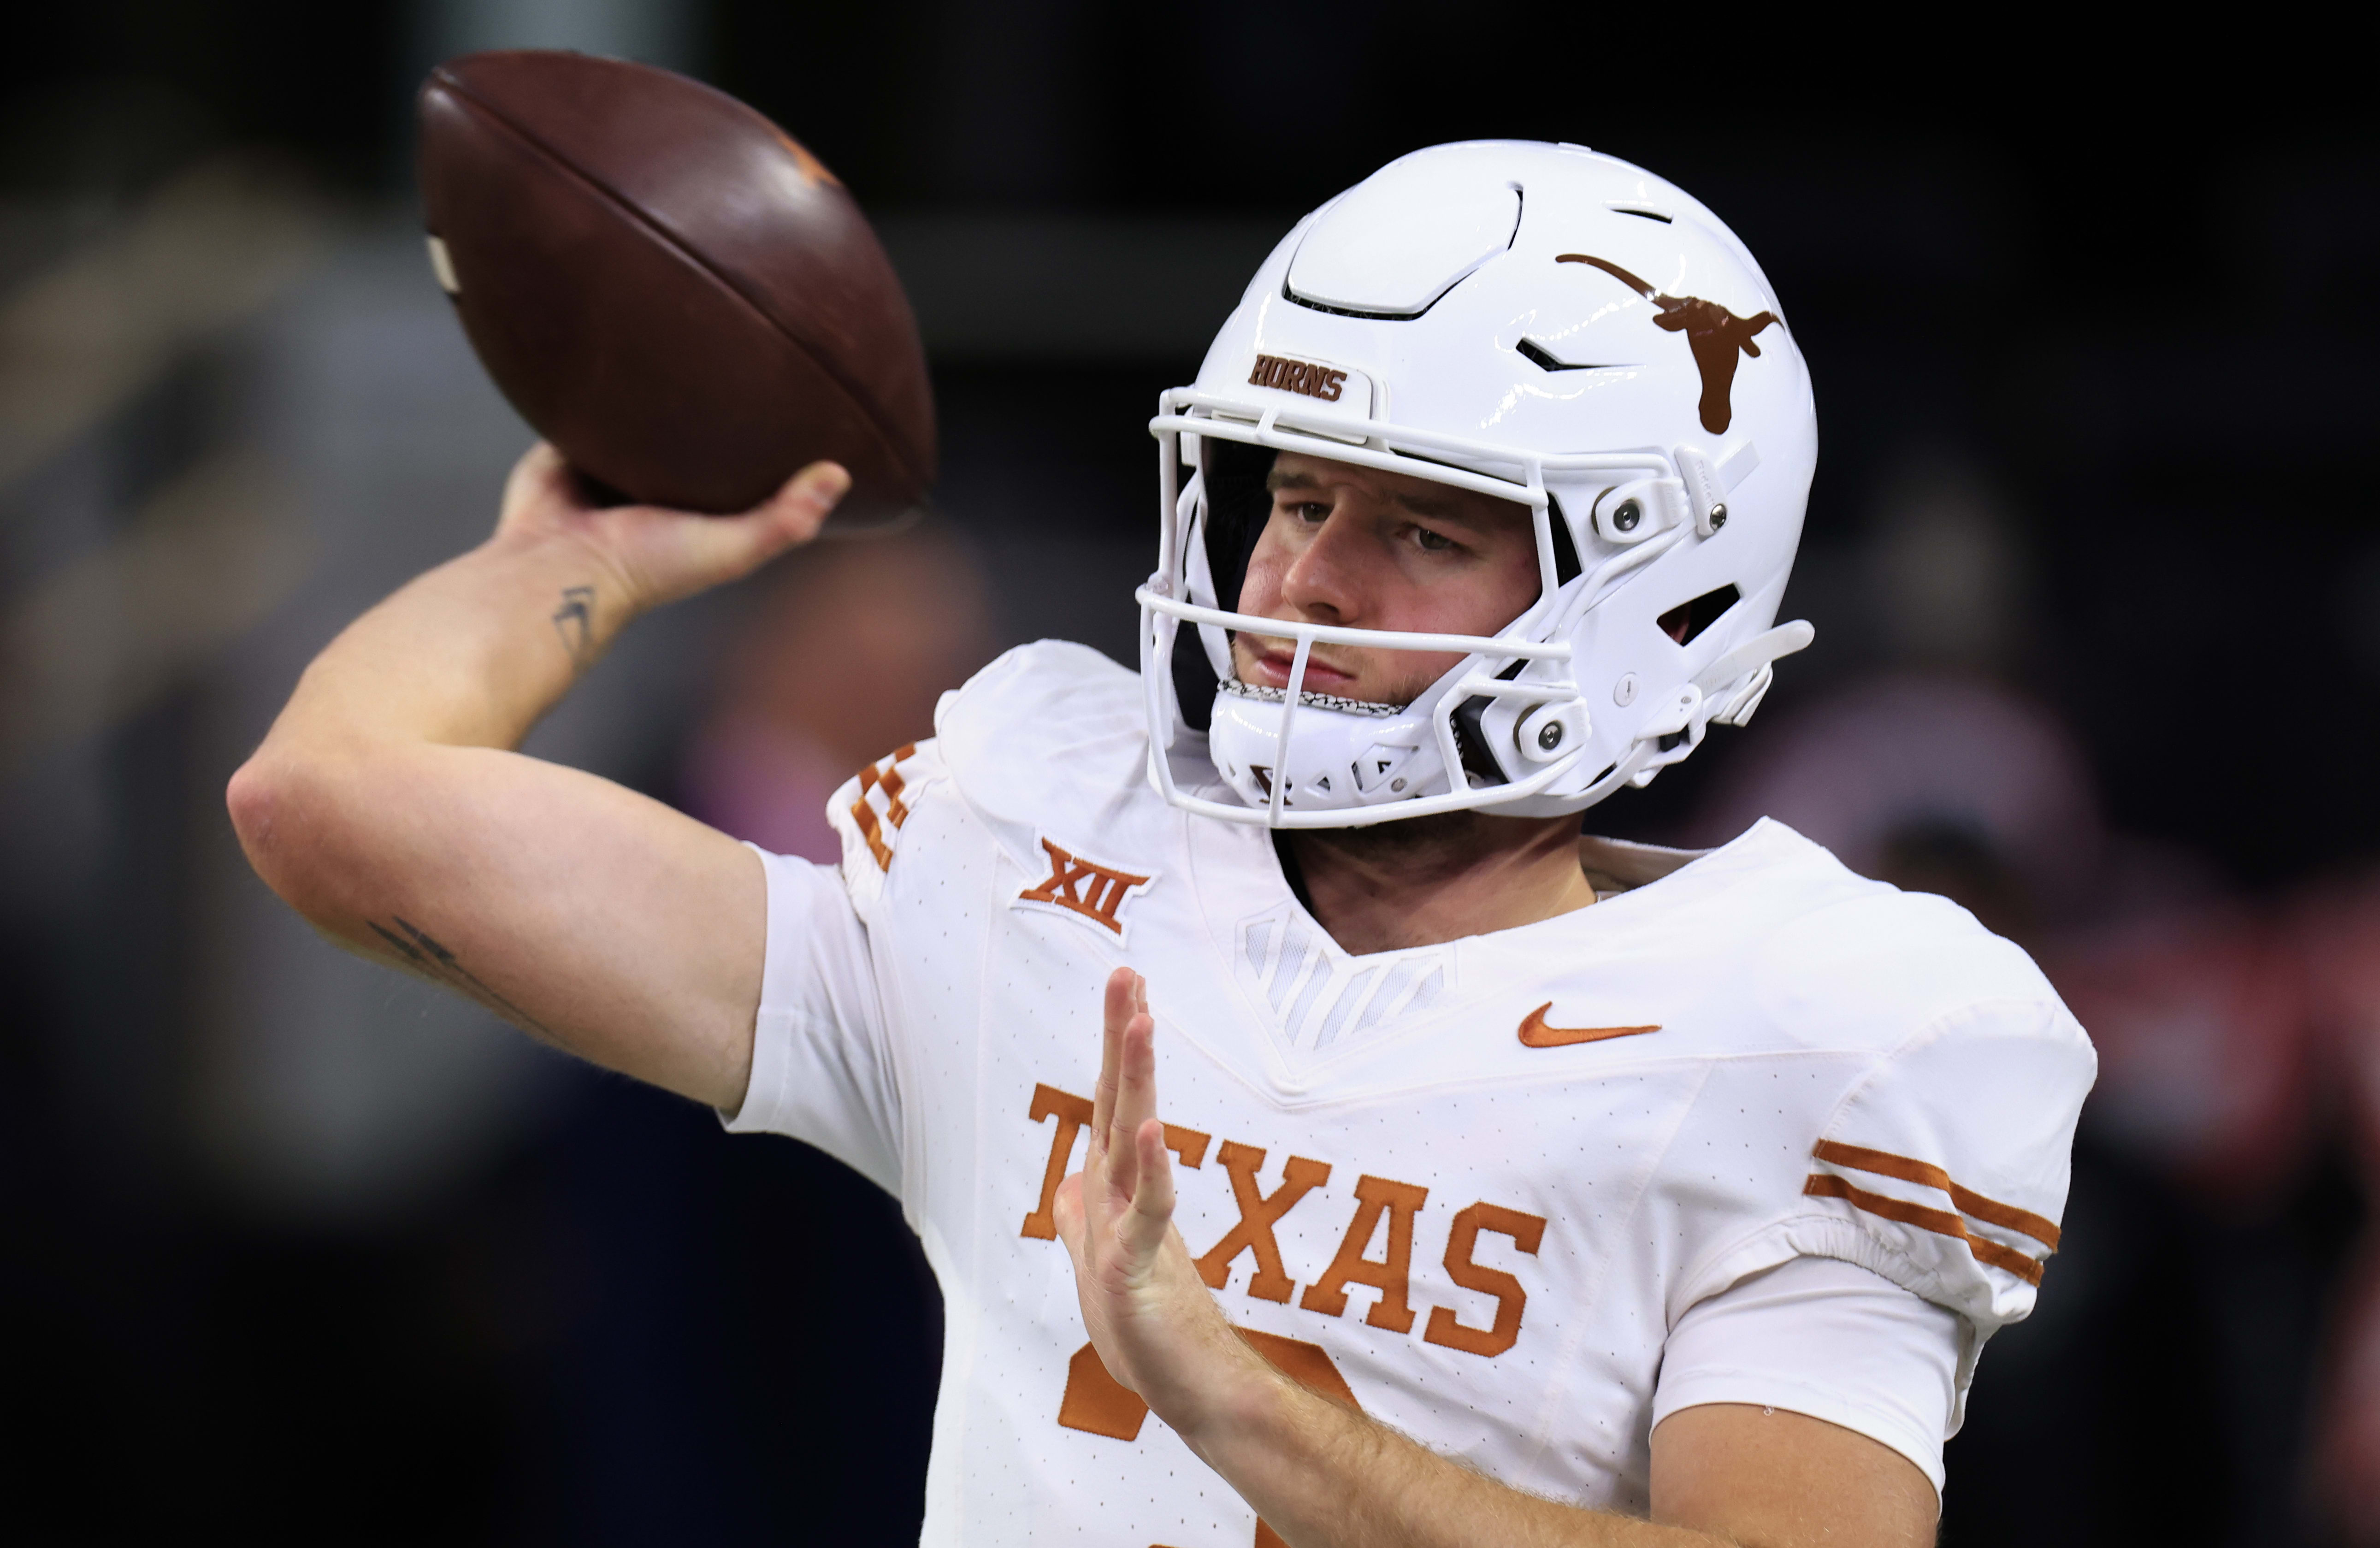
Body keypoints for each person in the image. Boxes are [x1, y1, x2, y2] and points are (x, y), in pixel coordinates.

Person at [229, 142, 2092, 1547]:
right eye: (1287, 495)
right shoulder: (1043, 857)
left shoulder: (1810, 1024)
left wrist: (1226, 1392)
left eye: (1420, 533)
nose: (1295, 581)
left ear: (1649, 593)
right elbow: (330, 808)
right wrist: (572, 564)